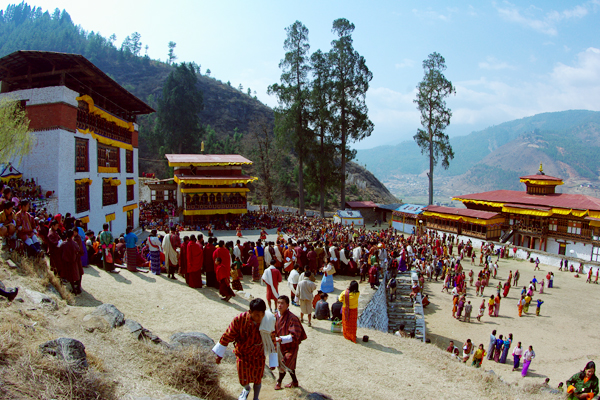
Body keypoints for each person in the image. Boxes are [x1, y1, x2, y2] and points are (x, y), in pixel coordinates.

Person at [213, 298, 267, 400]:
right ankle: (246, 389)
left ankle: (256, 398)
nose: (260, 318)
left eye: (262, 314)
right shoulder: (239, 320)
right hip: (243, 353)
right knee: (243, 379)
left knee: (257, 378)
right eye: (256, 315)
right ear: (250, 312)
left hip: (258, 354)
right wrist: (219, 355)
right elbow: (228, 335)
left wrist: (273, 359)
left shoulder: (267, 320)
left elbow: (272, 338)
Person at [274, 295, 307, 390]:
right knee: (290, 365)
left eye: (282, 303)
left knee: (285, 362)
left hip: (291, 346)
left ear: (287, 305)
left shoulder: (293, 318)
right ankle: (295, 382)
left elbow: (295, 335)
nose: (279, 305)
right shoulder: (275, 316)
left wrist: (281, 339)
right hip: (280, 346)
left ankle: (278, 382)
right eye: (278, 303)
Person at [60, 229, 83, 294]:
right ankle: (78, 288)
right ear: (72, 235)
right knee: (77, 274)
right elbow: (78, 250)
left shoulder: (64, 244)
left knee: (70, 276)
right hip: (74, 261)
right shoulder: (74, 243)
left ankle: (73, 289)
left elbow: (60, 251)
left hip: (67, 262)